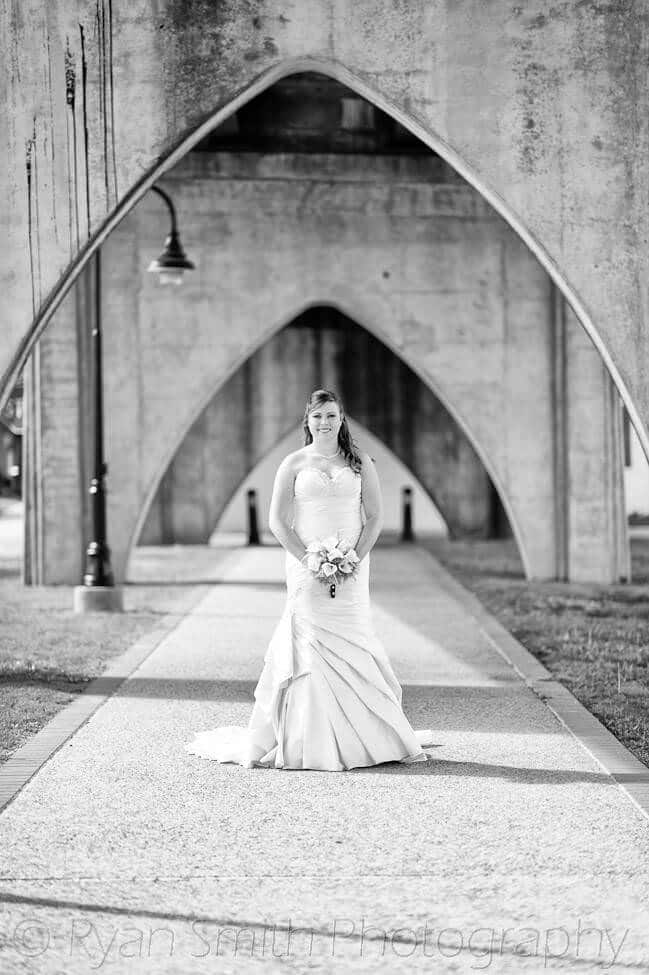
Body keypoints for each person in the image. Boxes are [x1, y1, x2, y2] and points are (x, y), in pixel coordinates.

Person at [185, 388, 434, 771]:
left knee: (353, 639)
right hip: (305, 566)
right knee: (311, 643)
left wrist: (353, 558)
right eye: (317, 416)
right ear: (308, 420)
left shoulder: (360, 462)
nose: (325, 422)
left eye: (331, 415)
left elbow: (376, 517)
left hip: (352, 566)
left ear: (341, 419)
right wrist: (308, 559)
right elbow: (276, 522)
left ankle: (364, 736)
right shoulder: (294, 463)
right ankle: (309, 740)